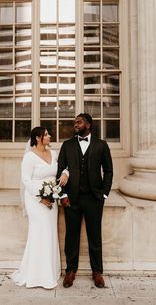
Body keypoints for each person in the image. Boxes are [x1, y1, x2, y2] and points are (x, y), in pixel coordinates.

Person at [57, 113, 113, 288]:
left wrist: (104, 194)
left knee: (94, 236)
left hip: (94, 199)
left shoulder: (101, 145)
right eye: (75, 122)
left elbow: (108, 171)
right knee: (71, 236)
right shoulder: (67, 145)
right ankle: (70, 271)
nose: (76, 124)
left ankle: (97, 272)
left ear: (88, 125)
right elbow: (60, 170)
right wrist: (63, 195)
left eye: (79, 122)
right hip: (72, 199)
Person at [10, 126, 68, 289]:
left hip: (52, 198)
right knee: (39, 232)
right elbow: (26, 180)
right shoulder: (29, 157)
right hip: (36, 200)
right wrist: (41, 197)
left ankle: (50, 271)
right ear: (37, 138)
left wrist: (65, 174)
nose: (49, 136)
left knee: (50, 232)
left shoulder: (54, 153)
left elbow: (62, 168)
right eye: (46, 134)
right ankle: (36, 274)